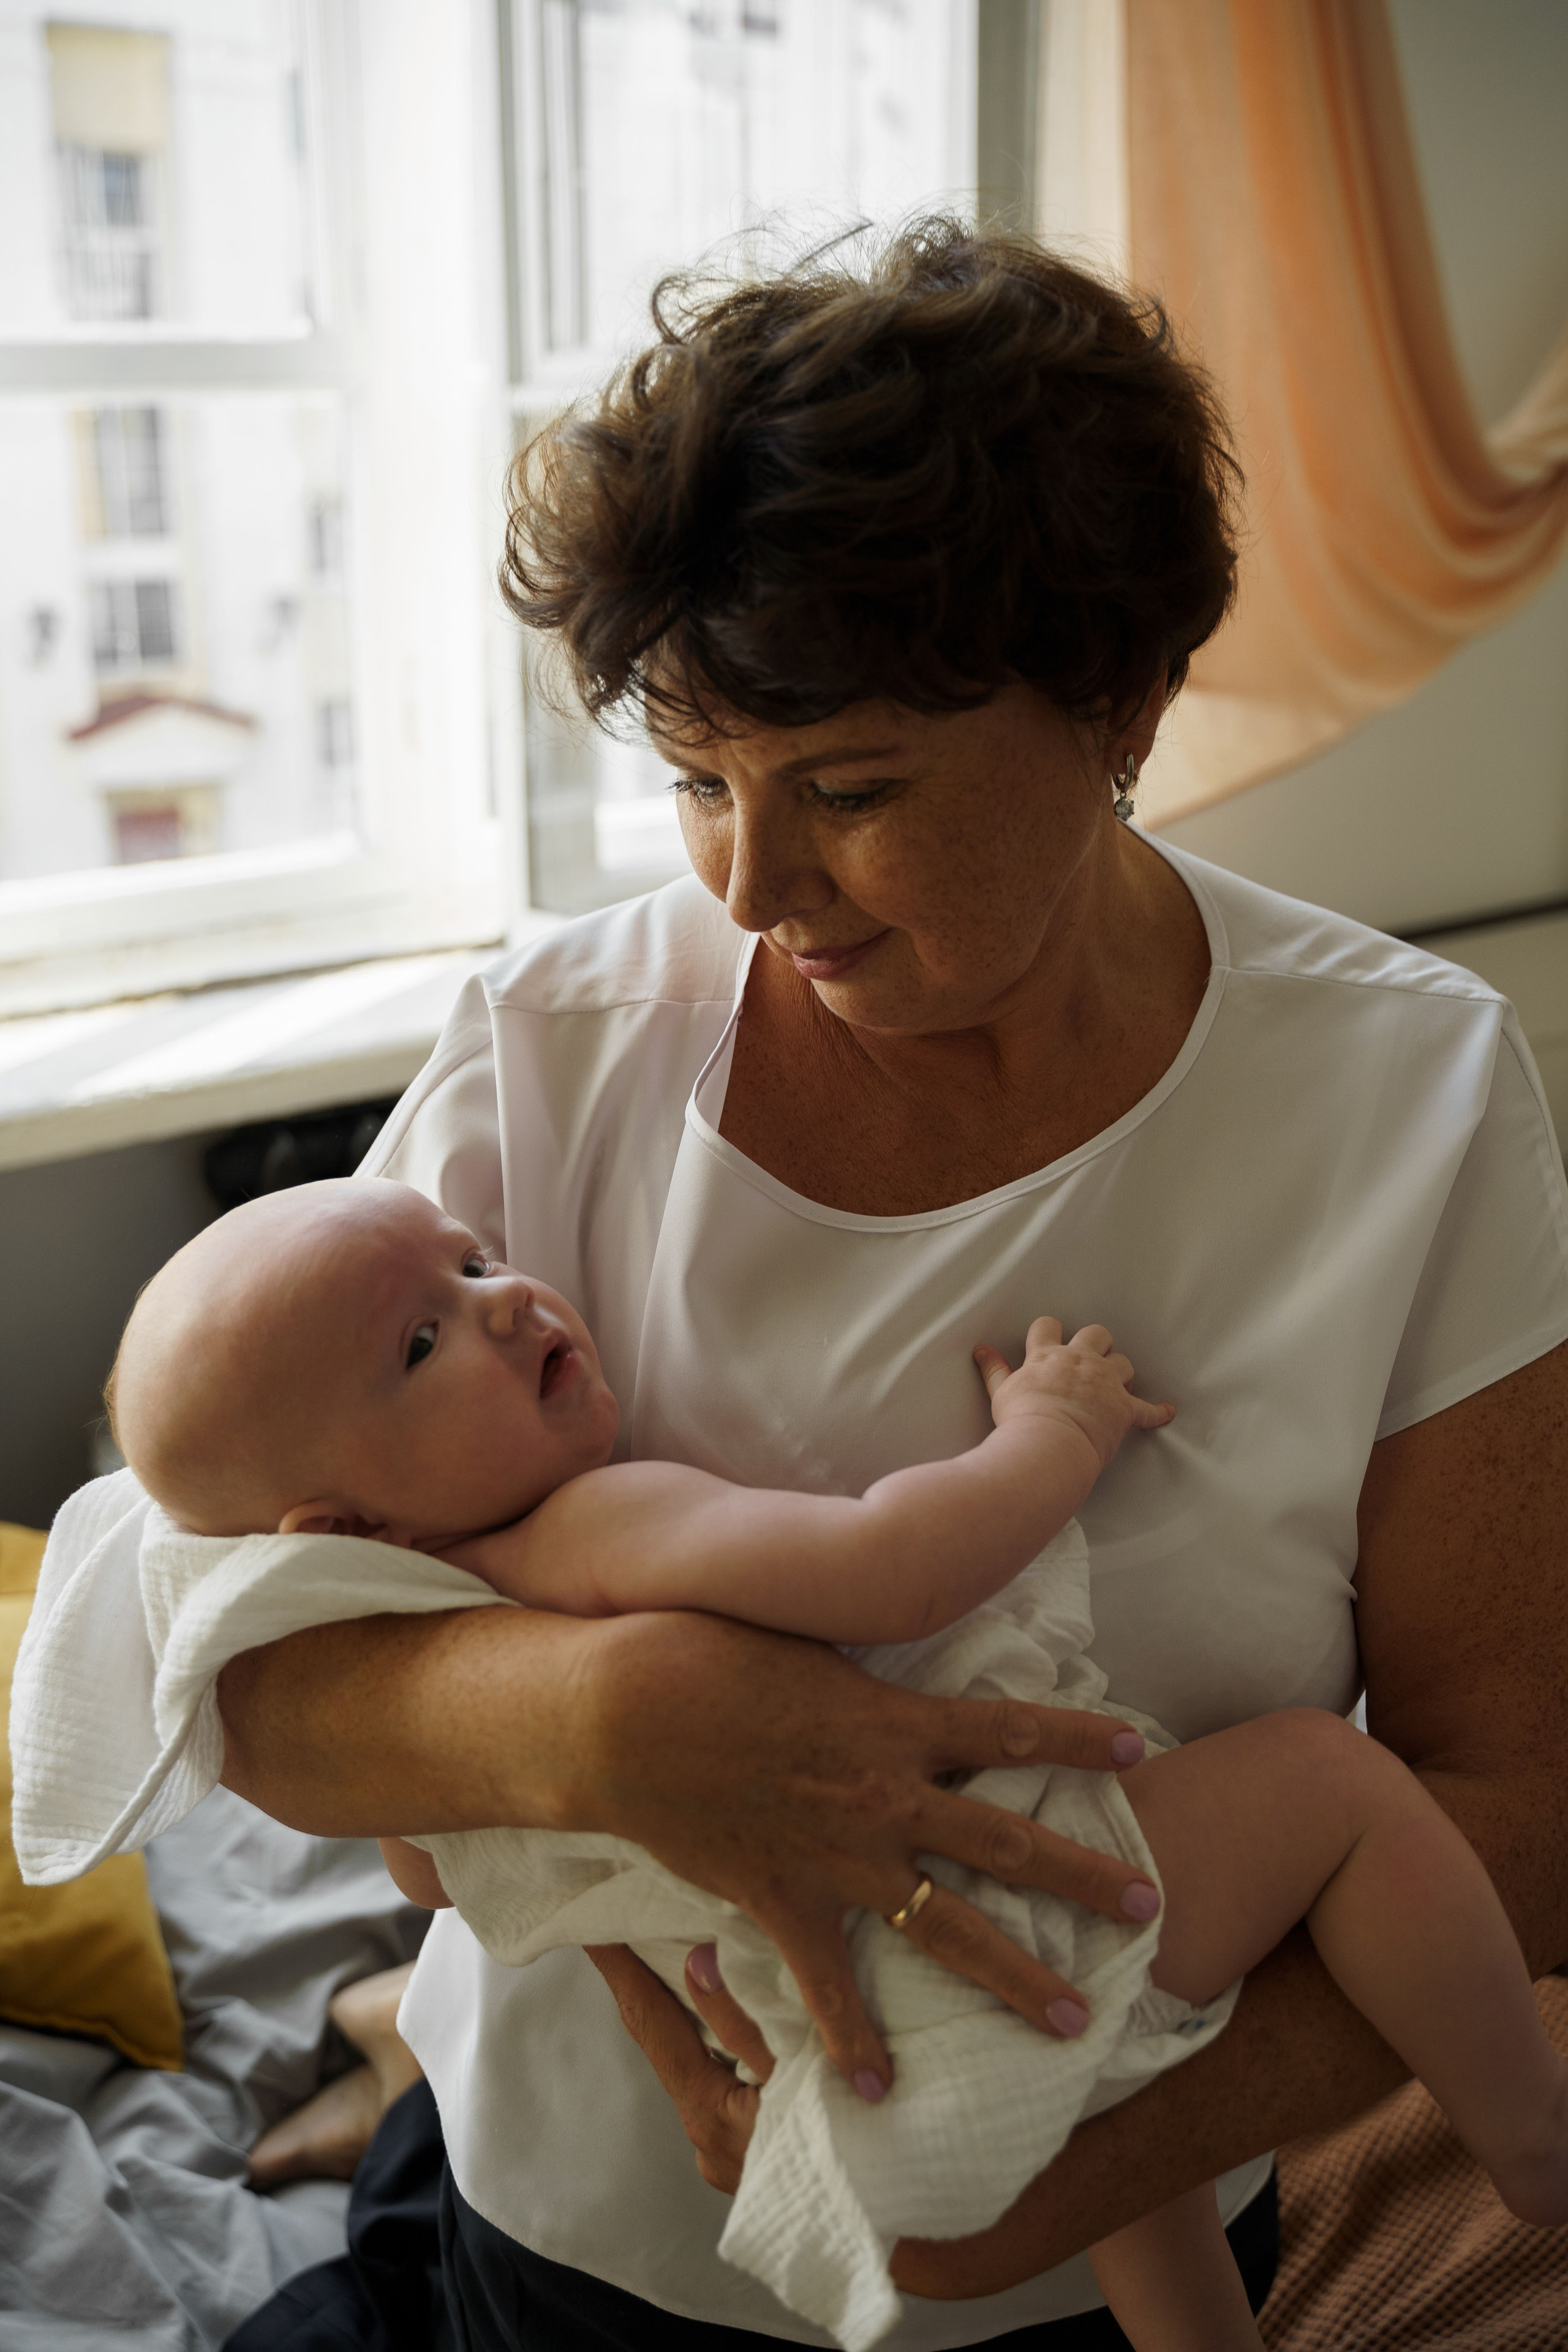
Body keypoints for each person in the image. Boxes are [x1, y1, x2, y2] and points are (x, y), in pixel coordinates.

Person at [15, 221, 1568, 2351]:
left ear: (1116, 699)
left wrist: (1049, 2186)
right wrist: (618, 1723)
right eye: (694, 783)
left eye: (850, 789)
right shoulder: (559, 1039)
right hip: (579, 2232)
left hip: (1107, 2231)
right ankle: (391, 2071)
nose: (754, 886)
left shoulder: (1403, 1089)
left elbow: (1524, 1798)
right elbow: (221, 1630)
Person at [105, 1177, 1568, 2352]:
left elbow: (436, 1871)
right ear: (346, 1536)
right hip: (954, 1914)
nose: (500, 1305)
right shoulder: (593, 1529)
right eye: (421, 1344)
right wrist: (1050, 1432)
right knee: (1334, 1785)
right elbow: (895, 1570)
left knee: (1123, 2125)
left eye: (473, 1261)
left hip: (819, 2043)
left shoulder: (435, 1641)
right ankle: (1527, 2132)